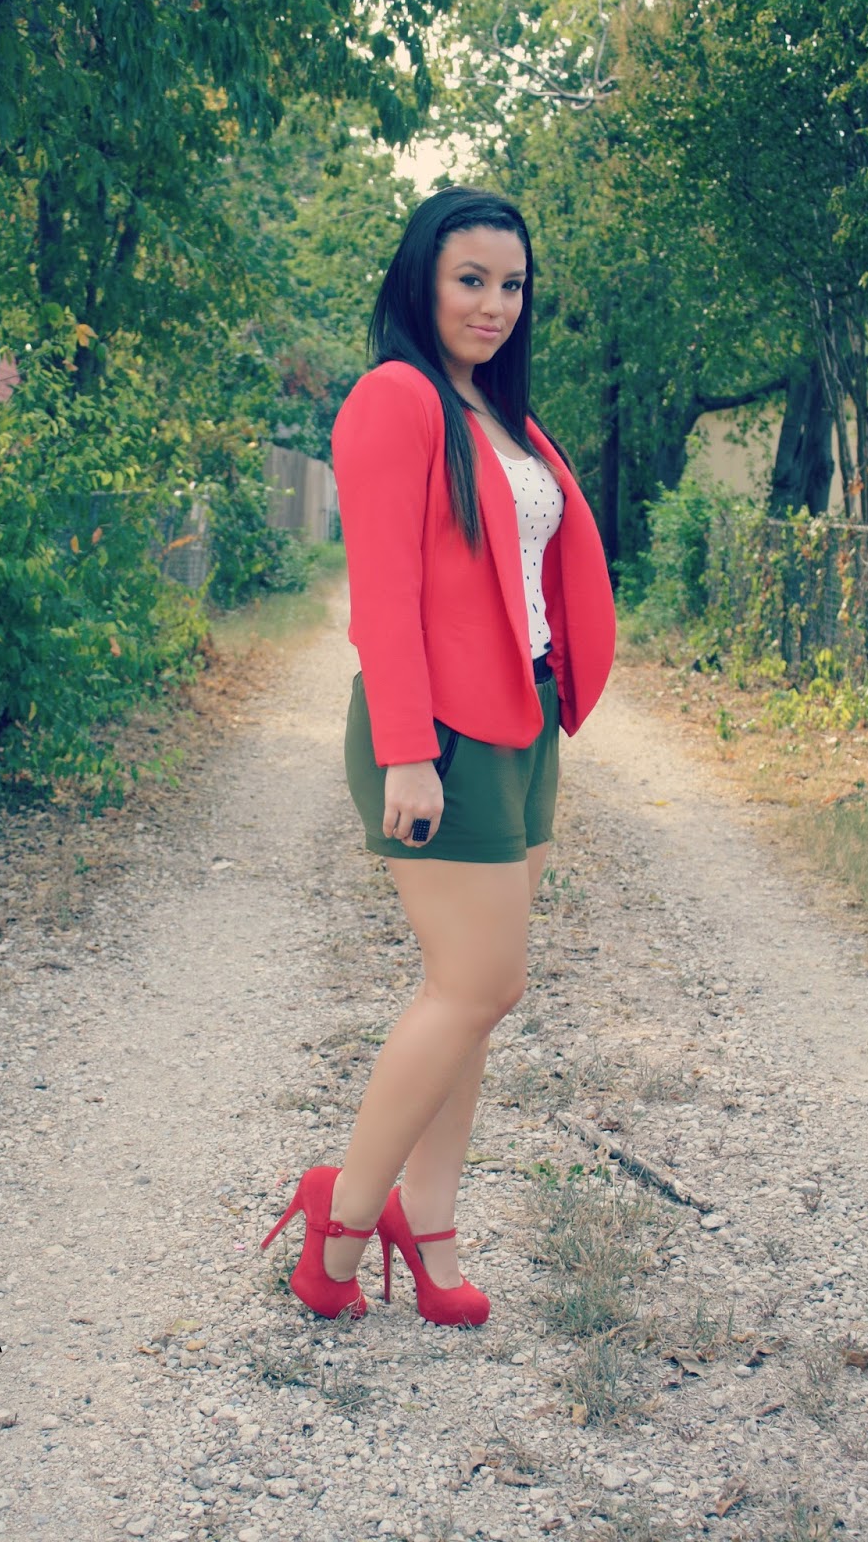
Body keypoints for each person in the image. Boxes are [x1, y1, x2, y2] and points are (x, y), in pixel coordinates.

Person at [262, 185, 615, 1325]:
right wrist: (407, 752)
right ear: (422, 280)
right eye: (471, 280)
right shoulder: (397, 397)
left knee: (472, 999)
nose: (494, 304)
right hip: (442, 737)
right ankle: (342, 1216)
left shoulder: (502, 416)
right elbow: (383, 589)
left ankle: (433, 1220)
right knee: (480, 983)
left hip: (523, 723)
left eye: (512, 285)